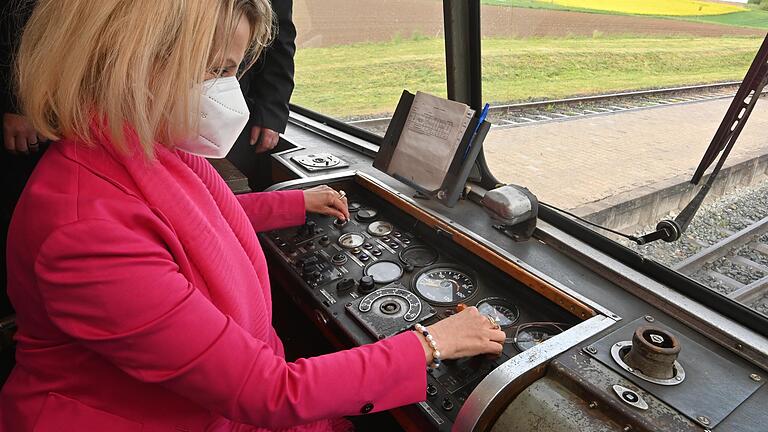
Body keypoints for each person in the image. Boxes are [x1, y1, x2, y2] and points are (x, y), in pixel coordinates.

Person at [0, 1, 506, 431]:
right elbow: (267, 392)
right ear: (131, 61)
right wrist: (429, 345)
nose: (230, 93)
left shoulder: (135, 142)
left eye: (233, 71)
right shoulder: (85, 234)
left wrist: (293, 201)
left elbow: (189, 221)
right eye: (215, 70)